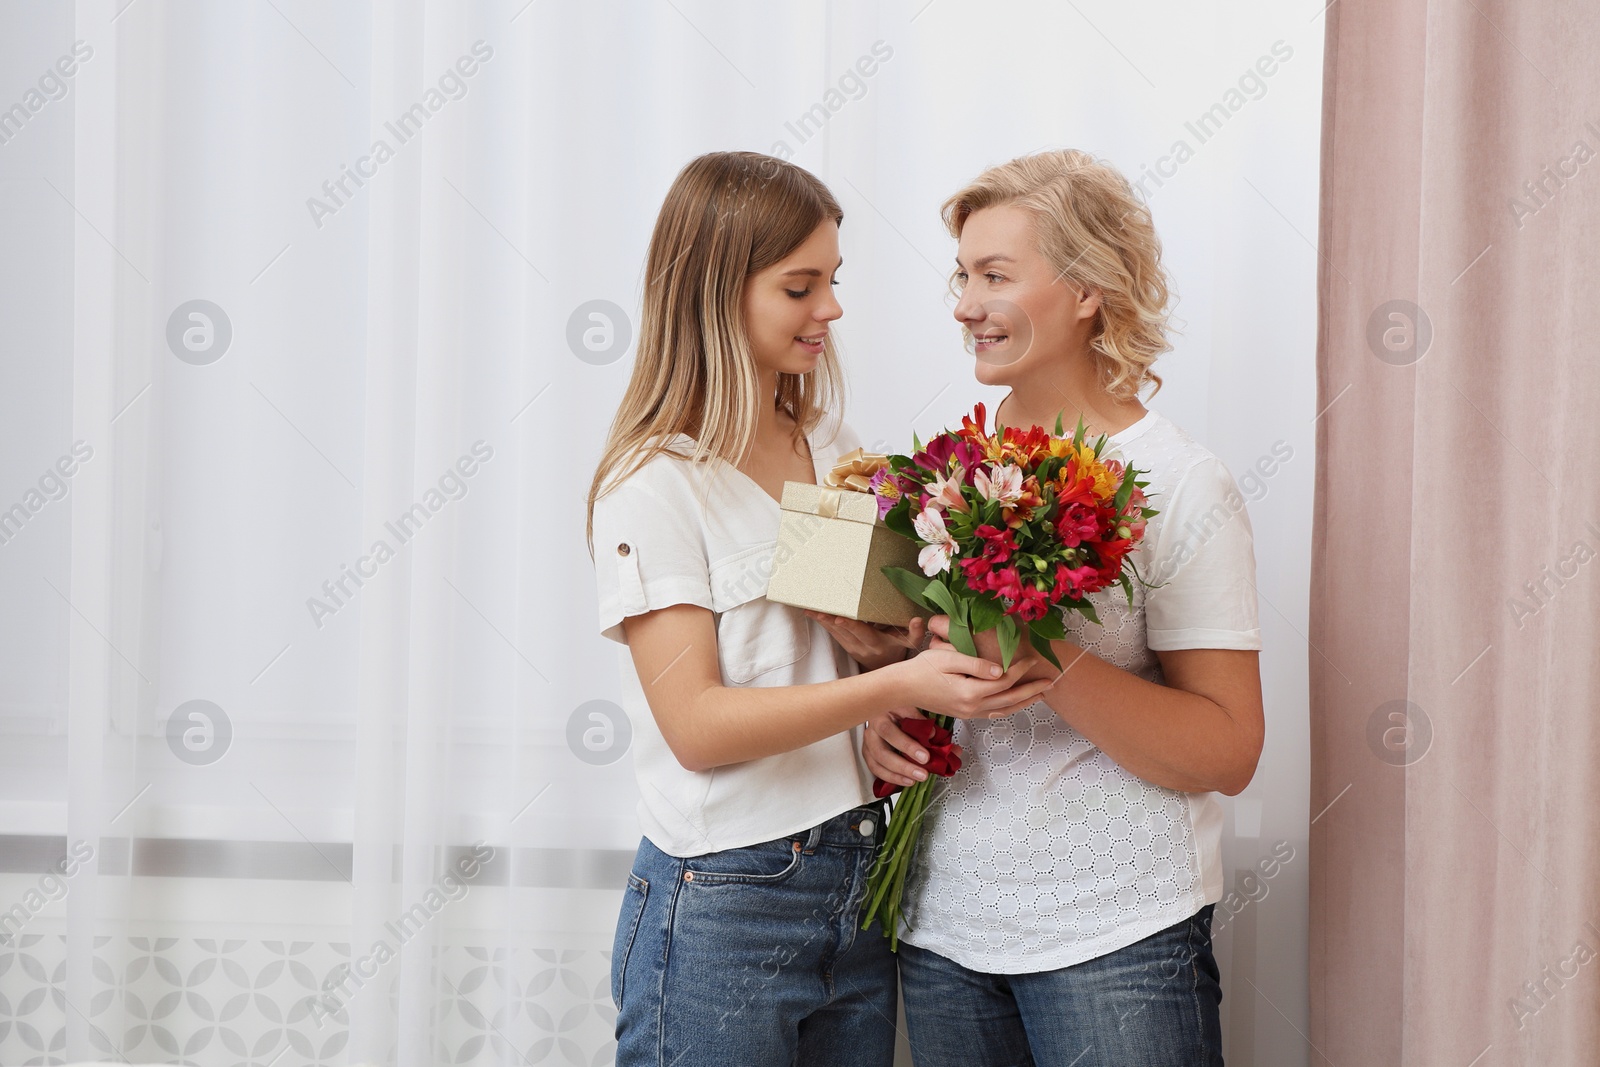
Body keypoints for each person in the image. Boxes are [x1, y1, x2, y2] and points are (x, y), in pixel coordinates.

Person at [585, 150, 1052, 1067]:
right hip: (724, 898)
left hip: (854, 876)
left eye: (831, 282)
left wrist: (894, 672)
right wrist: (901, 680)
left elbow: (845, 640)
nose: (830, 310)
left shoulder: (825, 444)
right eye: (800, 287)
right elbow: (700, 725)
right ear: (717, 292)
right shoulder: (655, 485)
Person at [857, 149, 1265, 1066]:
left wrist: (1046, 661)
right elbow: (931, 663)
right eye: (962, 275)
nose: (965, 303)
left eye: (995, 275)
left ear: (1088, 291)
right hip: (941, 930)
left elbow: (1228, 749)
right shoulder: (949, 470)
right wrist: (891, 708)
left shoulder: (1181, 482)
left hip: (1116, 937)